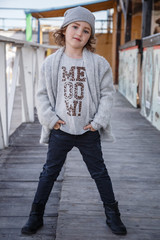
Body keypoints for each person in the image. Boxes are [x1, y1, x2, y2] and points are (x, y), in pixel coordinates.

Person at [21, 6, 127, 236]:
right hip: (61, 129)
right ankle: (36, 214)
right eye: (75, 26)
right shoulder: (51, 63)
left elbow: (108, 94)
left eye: (86, 30)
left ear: (90, 37)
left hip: (88, 130)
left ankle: (112, 214)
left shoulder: (99, 64)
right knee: (49, 172)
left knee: (99, 172)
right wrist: (51, 119)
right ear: (65, 29)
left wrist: (98, 121)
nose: (79, 32)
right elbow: (41, 95)